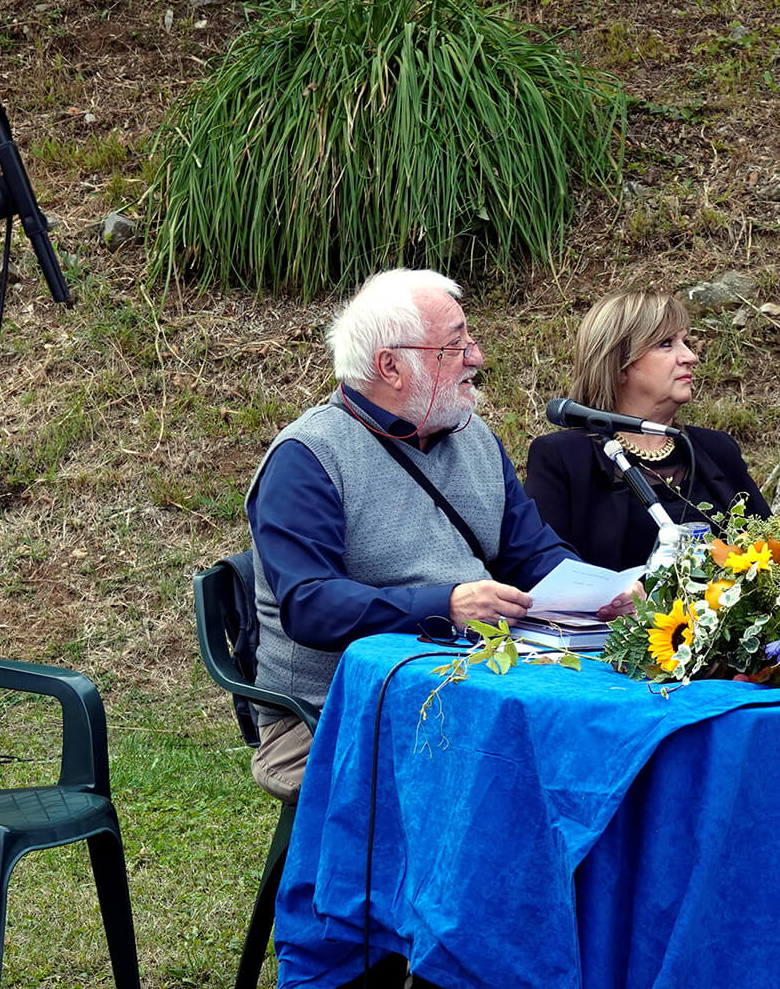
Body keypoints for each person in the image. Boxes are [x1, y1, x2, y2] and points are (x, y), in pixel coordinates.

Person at [245, 267, 631, 802]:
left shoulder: (475, 438)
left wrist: (602, 591)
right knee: (507, 788)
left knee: (599, 752)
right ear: (391, 366)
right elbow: (311, 605)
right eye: (455, 345)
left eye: (470, 339)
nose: (476, 356)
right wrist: (445, 605)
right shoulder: (308, 458)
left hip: (473, 684)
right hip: (331, 711)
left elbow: (533, 554)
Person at [526, 291, 769, 571]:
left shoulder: (717, 449)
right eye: (667, 344)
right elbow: (545, 570)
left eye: (686, 342)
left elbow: (771, 549)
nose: (690, 357)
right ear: (618, 365)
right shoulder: (564, 458)